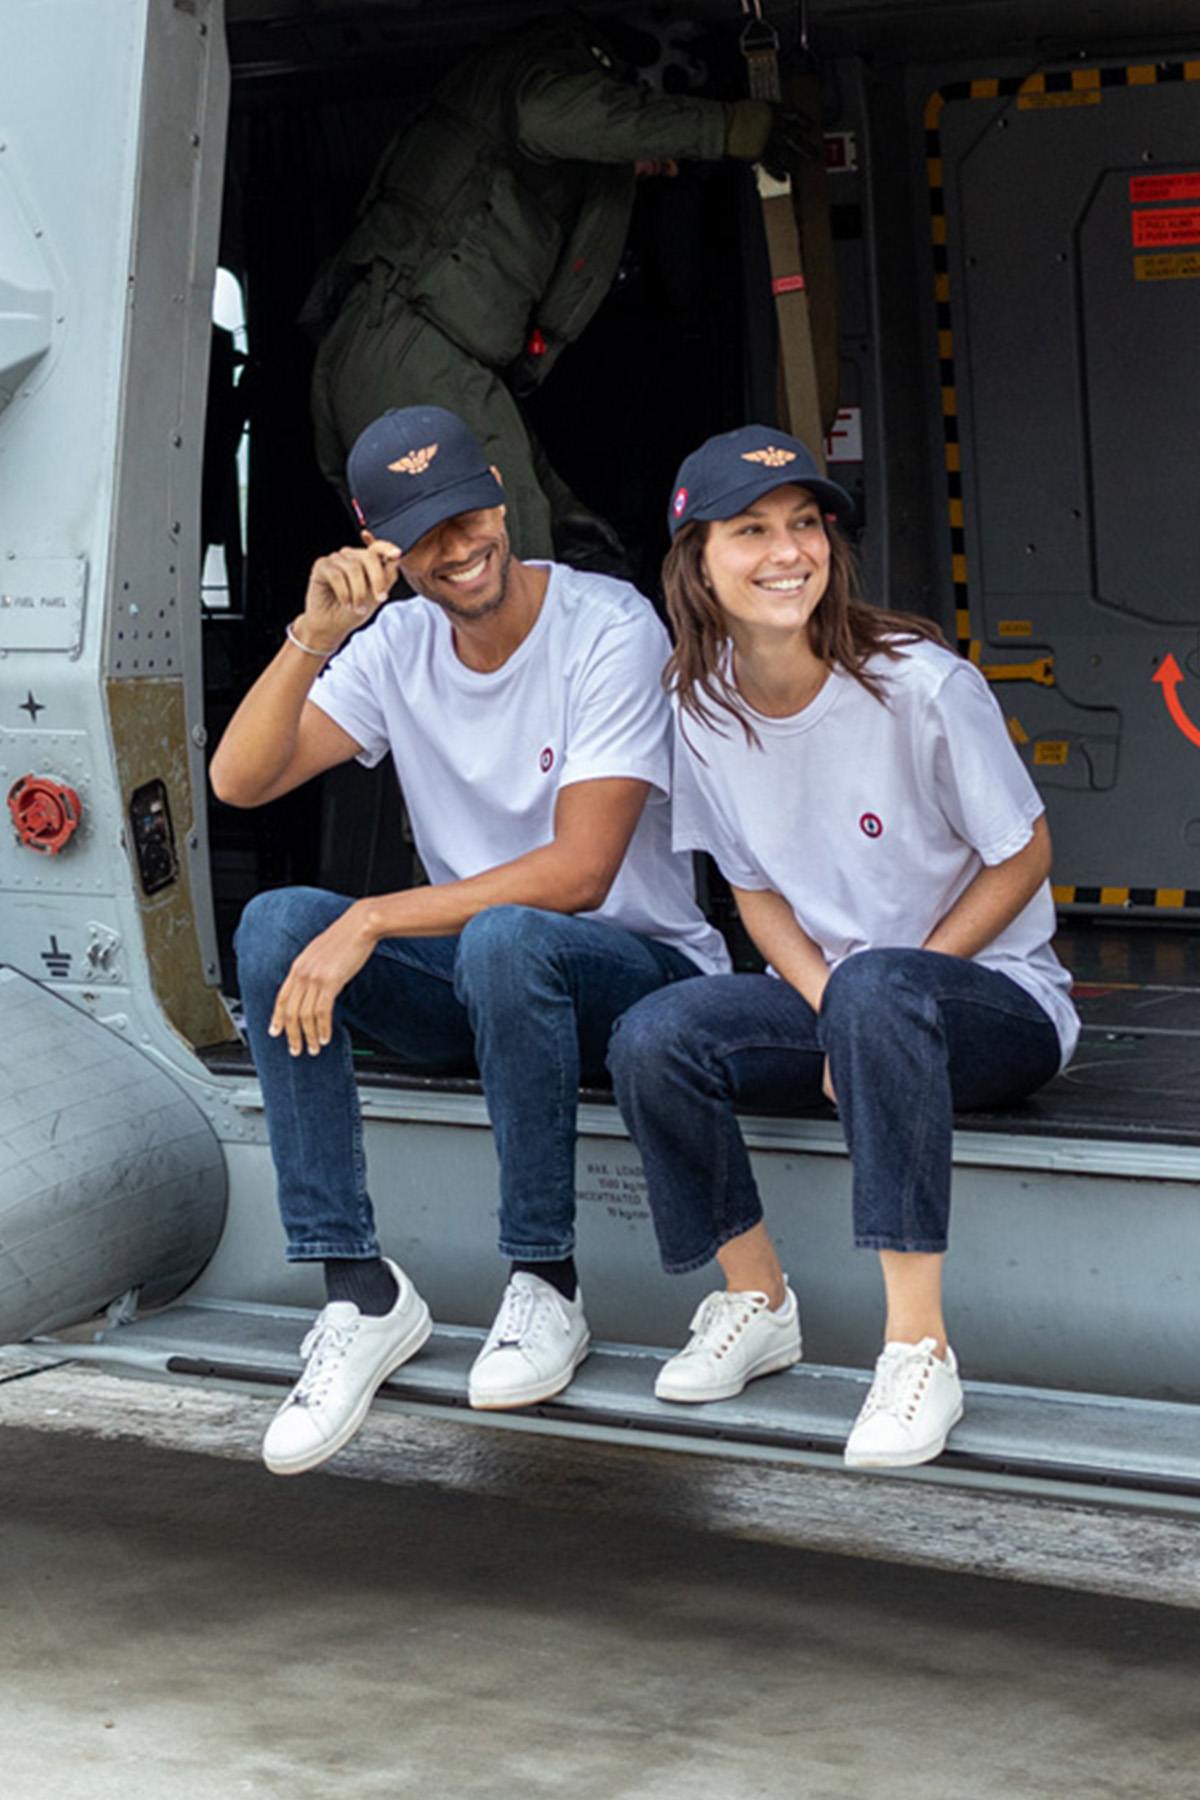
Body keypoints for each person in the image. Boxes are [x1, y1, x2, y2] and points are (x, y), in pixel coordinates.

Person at [209, 404, 728, 1476]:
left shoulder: (608, 625)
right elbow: (238, 779)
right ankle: (358, 1292)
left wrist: (374, 916)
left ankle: (545, 1282)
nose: (459, 547)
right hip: (493, 986)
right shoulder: (395, 644)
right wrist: (315, 636)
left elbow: (582, 872)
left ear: (497, 489)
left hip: (636, 980)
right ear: (379, 547)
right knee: (274, 927)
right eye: (423, 535)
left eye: (467, 512)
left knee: (503, 937)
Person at [607, 425, 1080, 1470]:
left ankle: (919, 1351)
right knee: (654, 1036)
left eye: (806, 525)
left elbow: (1026, 851)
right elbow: (753, 888)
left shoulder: (923, 686)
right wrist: (838, 1009)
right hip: (841, 997)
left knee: (877, 988)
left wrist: (889, 989)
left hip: (994, 1002)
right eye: (753, 531)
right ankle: (757, 1296)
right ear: (697, 560)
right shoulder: (700, 704)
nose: (789, 552)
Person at [303, 14, 794, 567]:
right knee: (502, 555)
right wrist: (726, 128)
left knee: (561, 540)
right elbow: (561, 117)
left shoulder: (526, 107)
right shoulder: (544, 75)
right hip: (413, 345)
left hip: (424, 351)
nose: (671, 166)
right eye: (663, 126)